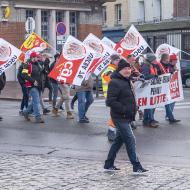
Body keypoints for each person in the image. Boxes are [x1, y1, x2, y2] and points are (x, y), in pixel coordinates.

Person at [104, 59, 148, 174]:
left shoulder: (127, 80)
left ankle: (108, 164)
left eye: (129, 68)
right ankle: (136, 166)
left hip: (127, 116)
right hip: (120, 116)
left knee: (118, 141)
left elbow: (129, 96)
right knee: (130, 140)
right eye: (125, 69)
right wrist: (124, 109)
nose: (128, 70)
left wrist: (134, 108)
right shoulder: (114, 82)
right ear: (119, 70)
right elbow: (110, 101)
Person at [21, 52, 44, 123]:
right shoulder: (27, 64)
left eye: (37, 57)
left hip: (39, 86)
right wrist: (33, 81)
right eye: (36, 57)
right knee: (36, 102)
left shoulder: (38, 64)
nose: (37, 58)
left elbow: (41, 74)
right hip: (32, 86)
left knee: (35, 102)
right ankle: (38, 117)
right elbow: (23, 75)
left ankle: (25, 112)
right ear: (32, 57)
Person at [141, 53, 162, 128]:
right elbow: (145, 76)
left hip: (152, 87)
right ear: (150, 60)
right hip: (148, 88)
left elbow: (156, 72)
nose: (155, 60)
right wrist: (153, 76)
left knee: (151, 104)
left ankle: (146, 120)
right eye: (154, 59)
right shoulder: (145, 66)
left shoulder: (152, 65)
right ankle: (150, 120)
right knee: (150, 105)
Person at [160, 53, 181, 124]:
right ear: (171, 60)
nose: (176, 62)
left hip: (171, 87)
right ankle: (170, 117)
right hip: (166, 87)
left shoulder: (172, 66)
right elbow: (166, 73)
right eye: (175, 60)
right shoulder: (167, 66)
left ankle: (168, 115)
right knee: (168, 102)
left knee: (172, 101)